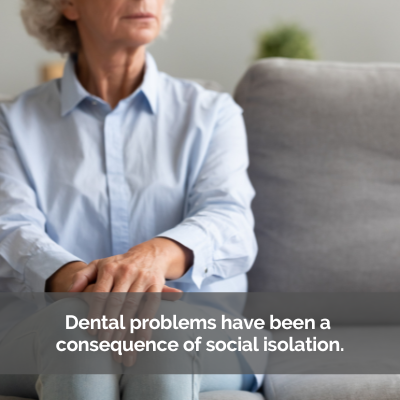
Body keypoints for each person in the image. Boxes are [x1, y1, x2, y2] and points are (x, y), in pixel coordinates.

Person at [0, 0, 263, 398]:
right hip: (47, 322)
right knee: (72, 325)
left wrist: (154, 257)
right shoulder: (11, 122)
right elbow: (10, 227)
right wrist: (90, 288)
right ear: (69, 5)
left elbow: (230, 220)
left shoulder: (212, 113)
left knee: (164, 331)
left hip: (203, 326)